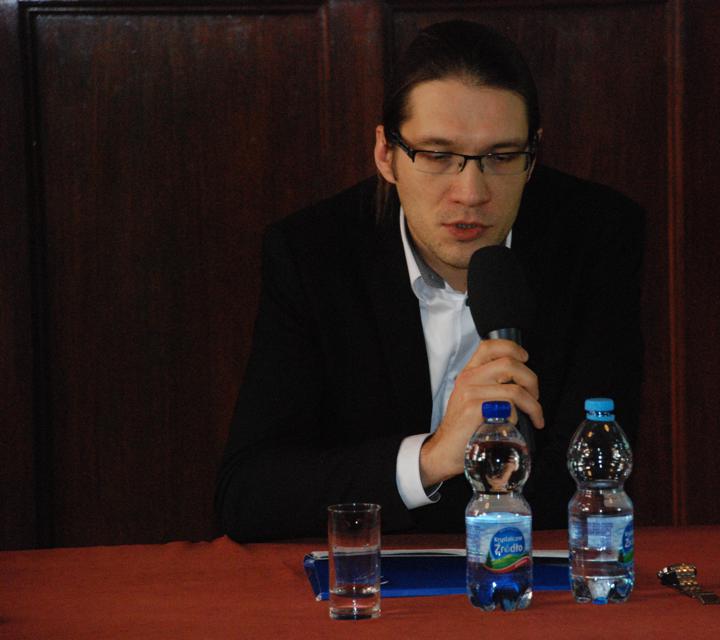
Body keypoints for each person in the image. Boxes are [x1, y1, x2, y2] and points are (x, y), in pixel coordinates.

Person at [215, 20, 644, 542]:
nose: (471, 192)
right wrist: (431, 458)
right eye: (438, 156)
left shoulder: (597, 237)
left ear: (532, 157)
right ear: (386, 155)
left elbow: (591, 476)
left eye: (502, 157)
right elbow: (248, 494)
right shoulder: (313, 253)